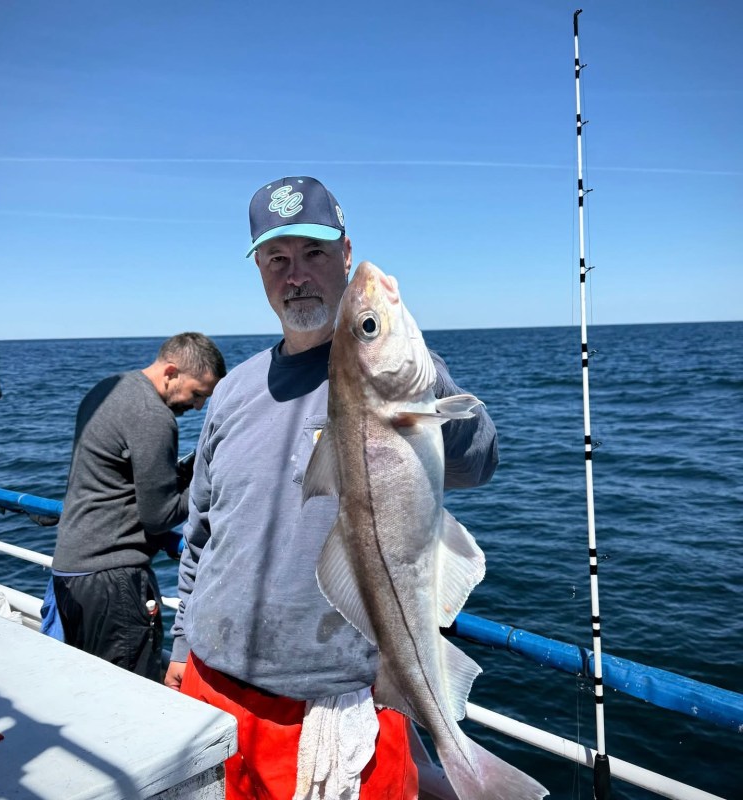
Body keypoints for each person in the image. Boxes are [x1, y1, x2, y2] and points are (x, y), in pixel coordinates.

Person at [165, 177, 499, 799]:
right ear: (260, 271)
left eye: (314, 254)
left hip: (343, 707)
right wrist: (181, 645)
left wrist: (422, 383)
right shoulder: (232, 390)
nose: (296, 276)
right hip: (211, 690)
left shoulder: (402, 378)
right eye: (277, 259)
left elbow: (479, 461)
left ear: (346, 255)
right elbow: (200, 533)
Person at [52, 332, 226, 681]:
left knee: (89, 684)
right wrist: (206, 480)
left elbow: (119, 479)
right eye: (197, 394)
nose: (197, 407)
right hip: (113, 577)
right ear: (172, 372)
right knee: (129, 694)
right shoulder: (153, 415)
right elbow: (159, 515)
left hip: (71, 571)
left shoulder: (109, 388)